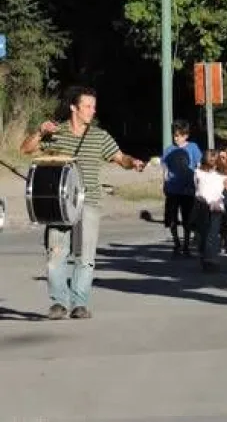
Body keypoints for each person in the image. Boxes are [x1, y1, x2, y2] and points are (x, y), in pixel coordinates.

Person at [21, 86, 145, 320]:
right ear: (73, 108)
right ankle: (59, 303)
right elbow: (25, 149)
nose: (92, 111)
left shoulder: (99, 136)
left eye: (94, 106)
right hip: (58, 203)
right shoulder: (56, 133)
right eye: (87, 106)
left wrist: (133, 162)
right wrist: (39, 131)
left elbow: (120, 158)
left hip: (89, 201)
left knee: (85, 257)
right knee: (56, 253)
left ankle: (79, 303)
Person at [161, 119, 202, 257]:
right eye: (175, 135)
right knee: (171, 218)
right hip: (172, 190)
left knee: (187, 219)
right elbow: (165, 169)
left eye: (179, 135)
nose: (176, 138)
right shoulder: (169, 150)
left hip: (188, 190)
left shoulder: (193, 148)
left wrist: (198, 185)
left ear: (186, 135)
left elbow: (198, 166)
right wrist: (164, 184)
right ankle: (176, 243)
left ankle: (186, 245)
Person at [195, 150, 227, 272]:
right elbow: (197, 187)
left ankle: (210, 259)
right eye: (209, 161)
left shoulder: (223, 176)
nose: (212, 163)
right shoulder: (198, 172)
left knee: (211, 234)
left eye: (213, 161)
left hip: (215, 207)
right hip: (202, 205)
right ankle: (205, 255)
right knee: (203, 234)